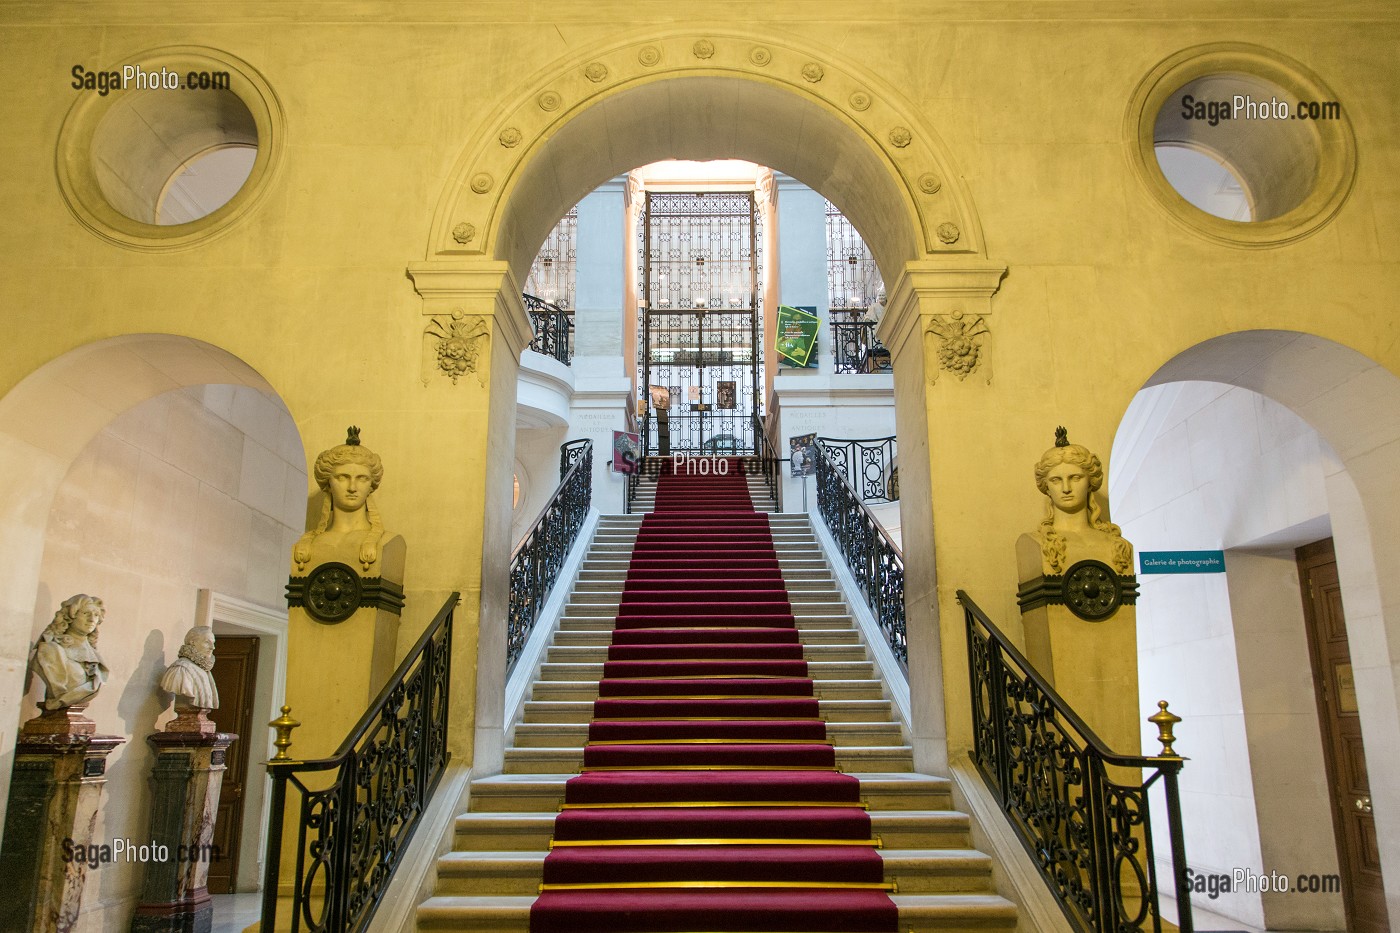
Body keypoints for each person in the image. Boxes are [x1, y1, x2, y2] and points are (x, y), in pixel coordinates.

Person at [1032, 427, 1133, 575]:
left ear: (1090, 482)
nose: (1066, 488)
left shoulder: (1117, 545)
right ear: (1046, 487)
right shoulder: (1036, 543)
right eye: (1056, 480)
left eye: (1076, 478)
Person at [293, 426, 387, 572]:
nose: (352, 487)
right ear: (328, 483)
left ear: (371, 485)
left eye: (362, 478)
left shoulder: (387, 542)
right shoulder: (307, 545)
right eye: (342, 477)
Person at [31, 594, 109, 711]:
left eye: (96, 615)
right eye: (85, 613)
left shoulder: (95, 657)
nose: (92, 619)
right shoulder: (51, 649)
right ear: (70, 616)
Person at [159, 625, 219, 710]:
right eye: (206, 642)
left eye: (213, 643)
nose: (212, 647)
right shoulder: (181, 669)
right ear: (192, 642)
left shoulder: (204, 670)